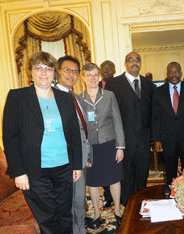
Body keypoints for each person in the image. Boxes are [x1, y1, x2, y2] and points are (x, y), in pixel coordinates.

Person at [2, 51, 82, 234]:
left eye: (48, 68)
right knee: (47, 217)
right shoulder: (17, 97)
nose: (43, 72)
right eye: (38, 68)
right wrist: (18, 172)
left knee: (65, 214)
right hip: (35, 171)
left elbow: (74, 133)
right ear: (31, 72)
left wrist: (77, 164)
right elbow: (10, 137)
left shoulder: (65, 98)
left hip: (64, 168)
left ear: (54, 73)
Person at [78, 63, 125, 229]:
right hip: (91, 146)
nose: (92, 78)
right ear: (83, 77)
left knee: (114, 179)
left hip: (109, 144)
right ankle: (97, 213)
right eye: (89, 75)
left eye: (95, 75)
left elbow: (118, 121)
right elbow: (80, 127)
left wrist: (120, 147)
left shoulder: (109, 96)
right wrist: (84, 153)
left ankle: (117, 210)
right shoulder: (78, 98)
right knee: (94, 182)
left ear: (99, 77)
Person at [106, 51, 155, 205]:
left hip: (144, 139)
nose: (135, 62)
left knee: (142, 172)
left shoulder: (148, 84)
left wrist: (154, 137)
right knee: (126, 172)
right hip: (123, 139)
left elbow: (154, 112)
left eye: (137, 59)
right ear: (125, 63)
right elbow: (109, 113)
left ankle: (141, 199)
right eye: (131, 60)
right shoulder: (114, 84)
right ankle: (127, 203)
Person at [152, 62, 184, 189]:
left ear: (181, 73)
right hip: (167, 139)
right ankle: (172, 192)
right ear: (167, 74)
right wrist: (156, 139)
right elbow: (155, 117)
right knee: (170, 171)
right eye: (170, 71)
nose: (173, 74)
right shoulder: (158, 92)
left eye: (176, 71)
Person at [55, 55, 91, 234]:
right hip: (64, 160)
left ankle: (80, 229)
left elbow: (84, 128)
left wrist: (88, 155)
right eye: (67, 70)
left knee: (79, 198)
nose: (72, 74)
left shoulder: (75, 97)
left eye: (75, 71)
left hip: (81, 158)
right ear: (57, 71)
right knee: (67, 200)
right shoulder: (52, 97)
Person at [99, 60, 116, 208]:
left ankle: (120, 195)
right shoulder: (94, 86)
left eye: (109, 68)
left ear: (114, 70)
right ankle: (107, 196)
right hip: (101, 135)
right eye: (103, 68)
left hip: (116, 133)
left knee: (117, 166)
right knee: (103, 167)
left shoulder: (120, 85)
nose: (106, 70)